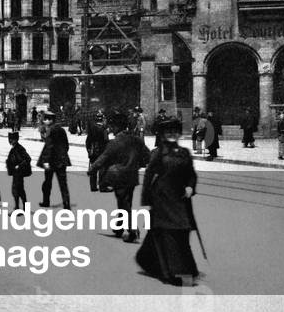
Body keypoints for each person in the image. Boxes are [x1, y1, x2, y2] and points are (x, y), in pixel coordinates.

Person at [135, 117, 199, 286]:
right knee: (168, 233)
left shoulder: (184, 153)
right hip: (162, 200)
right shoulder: (158, 153)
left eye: (175, 131)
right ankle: (174, 272)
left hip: (180, 199)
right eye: (168, 131)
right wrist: (146, 201)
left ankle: (149, 260)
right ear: (163, 134)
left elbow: (191, 174)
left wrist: (190, 187)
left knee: (181, 232)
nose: (172, 134)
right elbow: (148, 176)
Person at [88, 113, 150, 242]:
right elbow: (147, 155)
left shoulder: (115, 142)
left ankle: (132, 229)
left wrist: (92, 168)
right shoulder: (136, 140)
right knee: (126, 202)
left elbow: (104, 158)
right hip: (132, 176)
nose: (111, 129)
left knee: (123, 203)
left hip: (119, 176)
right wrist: (138, 164)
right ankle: (119, 227)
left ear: (117, 127)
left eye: (113, 126)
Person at [37, 110, 71, 210]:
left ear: (50, 120)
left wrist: (46, 161)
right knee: (63, 184)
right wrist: (62, 154)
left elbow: (49, 147)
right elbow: (66, 145)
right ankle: (66, 204)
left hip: (51, 161)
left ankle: (46, 201)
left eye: (46, 120)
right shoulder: (62, 130)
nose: (45, 121)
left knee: (47, 182)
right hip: (62, 160)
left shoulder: (50, 130)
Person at [4, 130, 31, 211]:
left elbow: (28, 159)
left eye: (12, 139)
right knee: (19, 190)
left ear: (16, 139)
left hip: (19, 173)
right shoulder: (14, 148)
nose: (10, 141)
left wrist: (19, 166)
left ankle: (17, 208)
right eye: (9, 139)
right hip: (16, 173)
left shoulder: (20, 148)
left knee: (16, 190)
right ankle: (23, 208)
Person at [85, 111, 109, 192]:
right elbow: (106, 140)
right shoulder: (104, 129)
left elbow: (87, 141)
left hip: (93, 151)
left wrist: (89, 151)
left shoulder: (92, 128)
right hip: (102, 151)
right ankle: (102, 187)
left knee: (93, 168)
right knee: (102, 168)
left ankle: (93, 186)